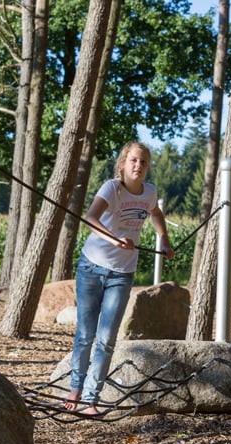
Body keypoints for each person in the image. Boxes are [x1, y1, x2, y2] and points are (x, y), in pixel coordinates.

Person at [63, 141, 174, 416]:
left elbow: (156, 214)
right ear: (123, 163)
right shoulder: (112, 188)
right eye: (134, 160)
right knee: (86, 334)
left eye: (144, 162)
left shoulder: (149, 193)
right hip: (92, 267)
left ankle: (91, 399)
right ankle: (76, 387)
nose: (139, 166)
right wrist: (115, 239)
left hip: (122, 275)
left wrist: (164, 238)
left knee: (106, 338)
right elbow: (90, 218)